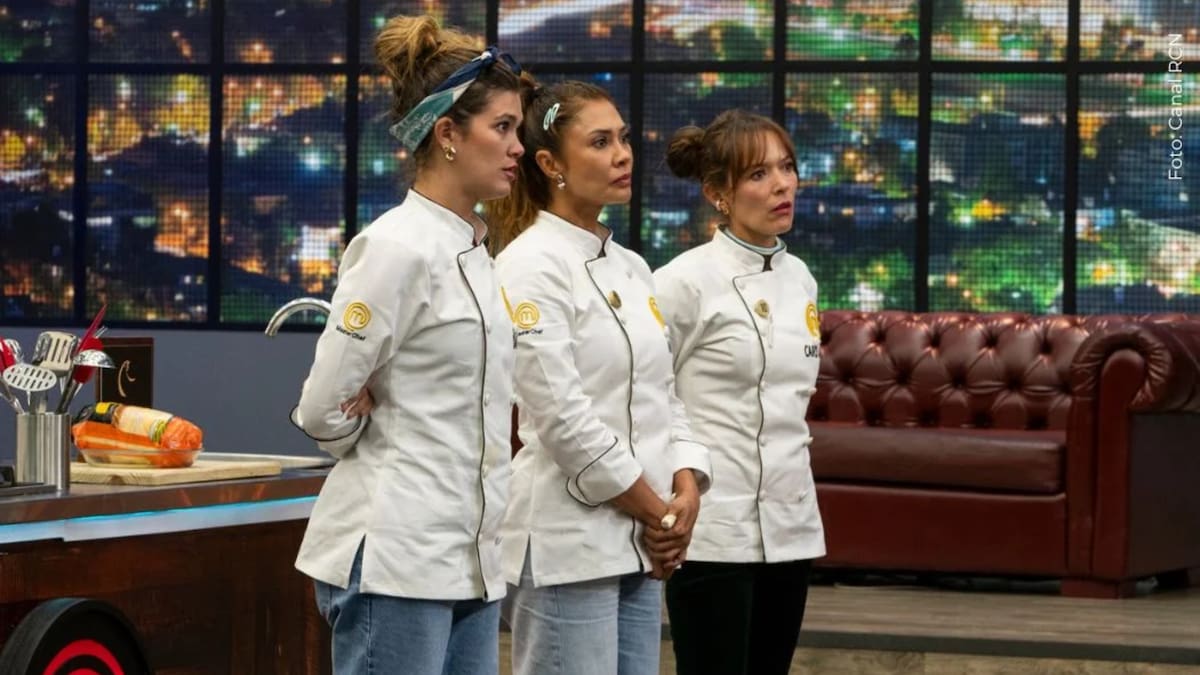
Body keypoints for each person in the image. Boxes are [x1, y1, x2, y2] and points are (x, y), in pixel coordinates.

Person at [290, 15, 524, 675]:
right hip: (397, 555)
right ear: (447, 134)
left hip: (472, 558)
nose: (517, 147)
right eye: (502, 127)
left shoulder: (477, 251)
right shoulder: (396, 247)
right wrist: (365, 423)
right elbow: (321, 410)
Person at [485, 79, 712, 675]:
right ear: (549, 164)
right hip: (569, 541)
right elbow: (562, 419)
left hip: (641, 542)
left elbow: (664, 394)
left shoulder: (632, 266)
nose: (623, 154)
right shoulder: (528, 264)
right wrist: (659, 513)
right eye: (601, 142)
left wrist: (685, 489)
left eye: (624, 138)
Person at [653, 109, 827, 675]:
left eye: (787, 167)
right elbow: (650, 393)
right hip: (713, 531)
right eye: (758, 174)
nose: (781, 185)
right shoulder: (681, 282)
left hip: (792, 525)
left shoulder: (801, 278)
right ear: (717, 194)